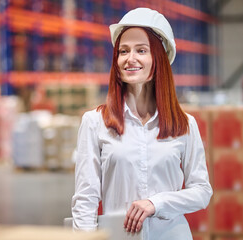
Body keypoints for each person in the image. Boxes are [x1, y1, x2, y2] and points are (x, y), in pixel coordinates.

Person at [71, 7, 213, 239]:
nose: (130, 58)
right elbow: (85, 198)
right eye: (123, 51)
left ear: (159, 58)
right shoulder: (95, 122)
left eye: (141, 50)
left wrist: (155, 203)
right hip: (120, 236)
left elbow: (202, 191)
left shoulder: (185, 125)